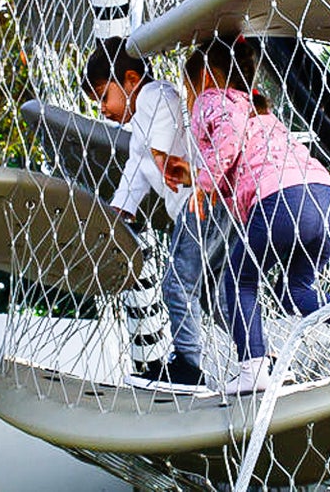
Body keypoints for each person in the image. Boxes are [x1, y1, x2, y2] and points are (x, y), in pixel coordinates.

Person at [164, 36, 330, 395]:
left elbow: (228, 138)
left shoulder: (212, 98)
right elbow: (241, 162)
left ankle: (254, 367)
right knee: (296, 290)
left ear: (203, 76)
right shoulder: (259, 109)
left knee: (235, 281)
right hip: (323, 201)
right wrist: (196, 175)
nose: (189, 99)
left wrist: (201, 183)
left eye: (187, 88)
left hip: (280, 202)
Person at [82, 37, 230, 393]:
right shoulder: (139, 133)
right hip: (208, 207)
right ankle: (258, 355)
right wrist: (122, 209)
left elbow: (167, 107)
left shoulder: (153, 95)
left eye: (104, 96)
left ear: (131, 80)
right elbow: (135, 170)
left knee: (177, 285)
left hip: (201, 203)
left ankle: (188, 367)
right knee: (217, 293)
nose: (102, 109)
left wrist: (162, 155)